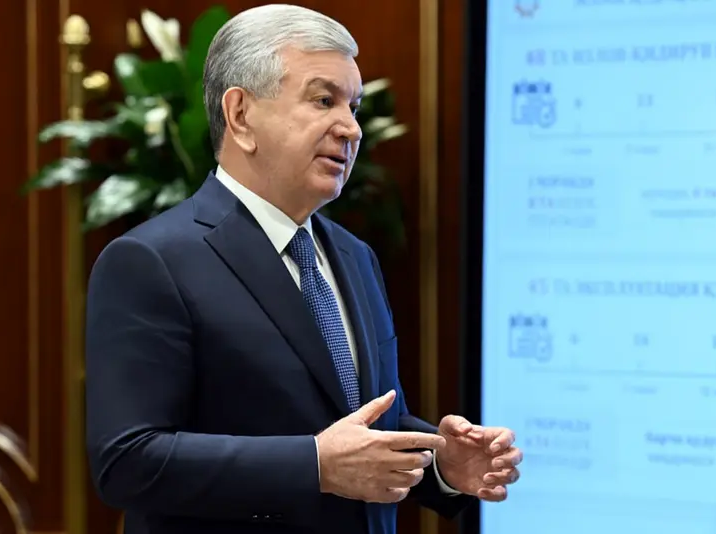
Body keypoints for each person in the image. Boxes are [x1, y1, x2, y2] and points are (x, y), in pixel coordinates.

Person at [84, 4, 522, 534]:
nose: (351, 128)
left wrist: (441, 465)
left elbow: (364, 423)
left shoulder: (355, 256)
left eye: (354, 106)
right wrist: (313, 466)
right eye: (323, 100)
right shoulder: (152, 261)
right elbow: (127, 461)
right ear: (240, 115)